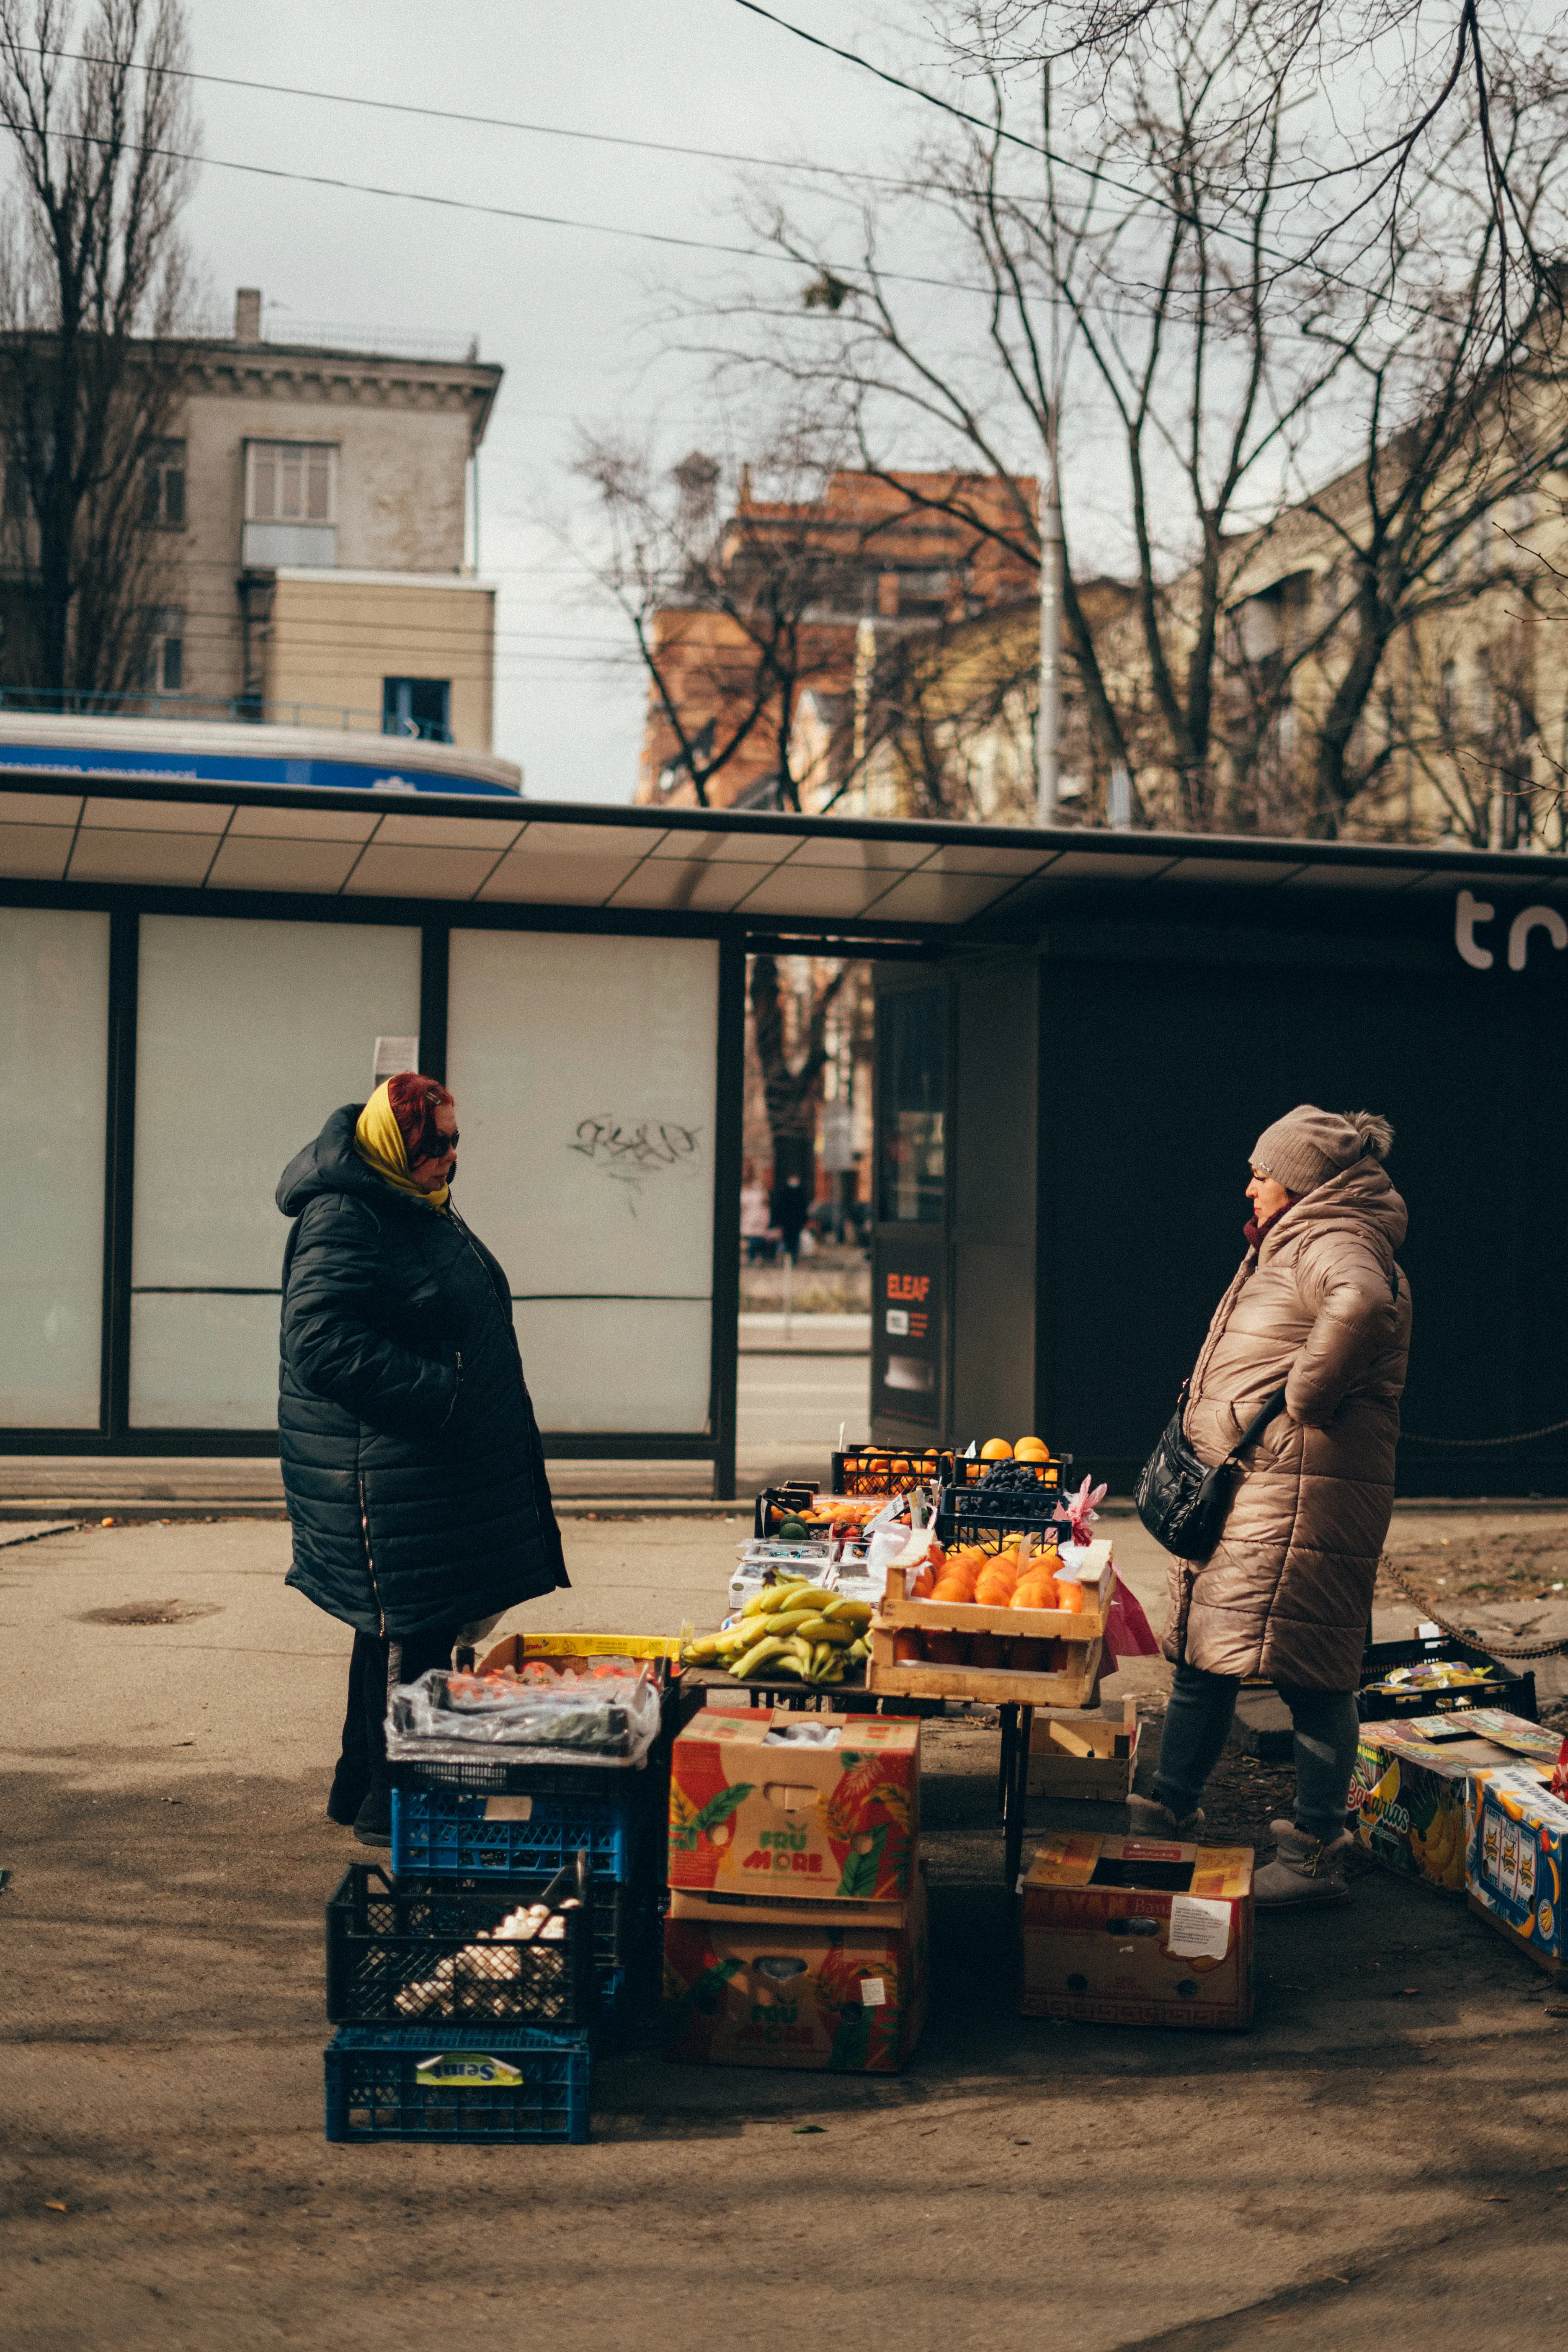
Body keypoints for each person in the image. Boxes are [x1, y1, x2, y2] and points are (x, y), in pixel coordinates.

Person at [276, 1071, 568, 1846]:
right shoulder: (348, 1212)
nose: (447, 1156)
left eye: (454, 1139)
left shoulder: (409, 1201)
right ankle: (396, 1809)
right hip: (388, 1471)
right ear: (390, 1143)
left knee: (394, 1630)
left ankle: (360, 1787)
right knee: (412, 1635)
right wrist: (439, 1393)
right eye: (430, 1142)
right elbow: (318, 1341)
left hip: (419, 1469)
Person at [1133, 1105, 1411, 1908]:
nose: (1250, 1184)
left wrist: (1307, 1390)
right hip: (1262, 1495)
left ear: (1303, 1182)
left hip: (1297, 1501)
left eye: (1263, 1172)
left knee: (1314, 1679)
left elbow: (1359, 1303)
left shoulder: (1336, 1238)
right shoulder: (1300, 1236)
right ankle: (1165, 1816)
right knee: (1204, 1661)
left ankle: (1318, 1853)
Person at [739, 1164, 774, 1264]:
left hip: (758, 1219)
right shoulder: (747, 1191)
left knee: (756, 1239)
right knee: (751, 1239)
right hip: (750, 1219)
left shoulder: (762, 1193)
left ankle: (754, 1257)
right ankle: (753, 1257)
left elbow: (765, 1207)